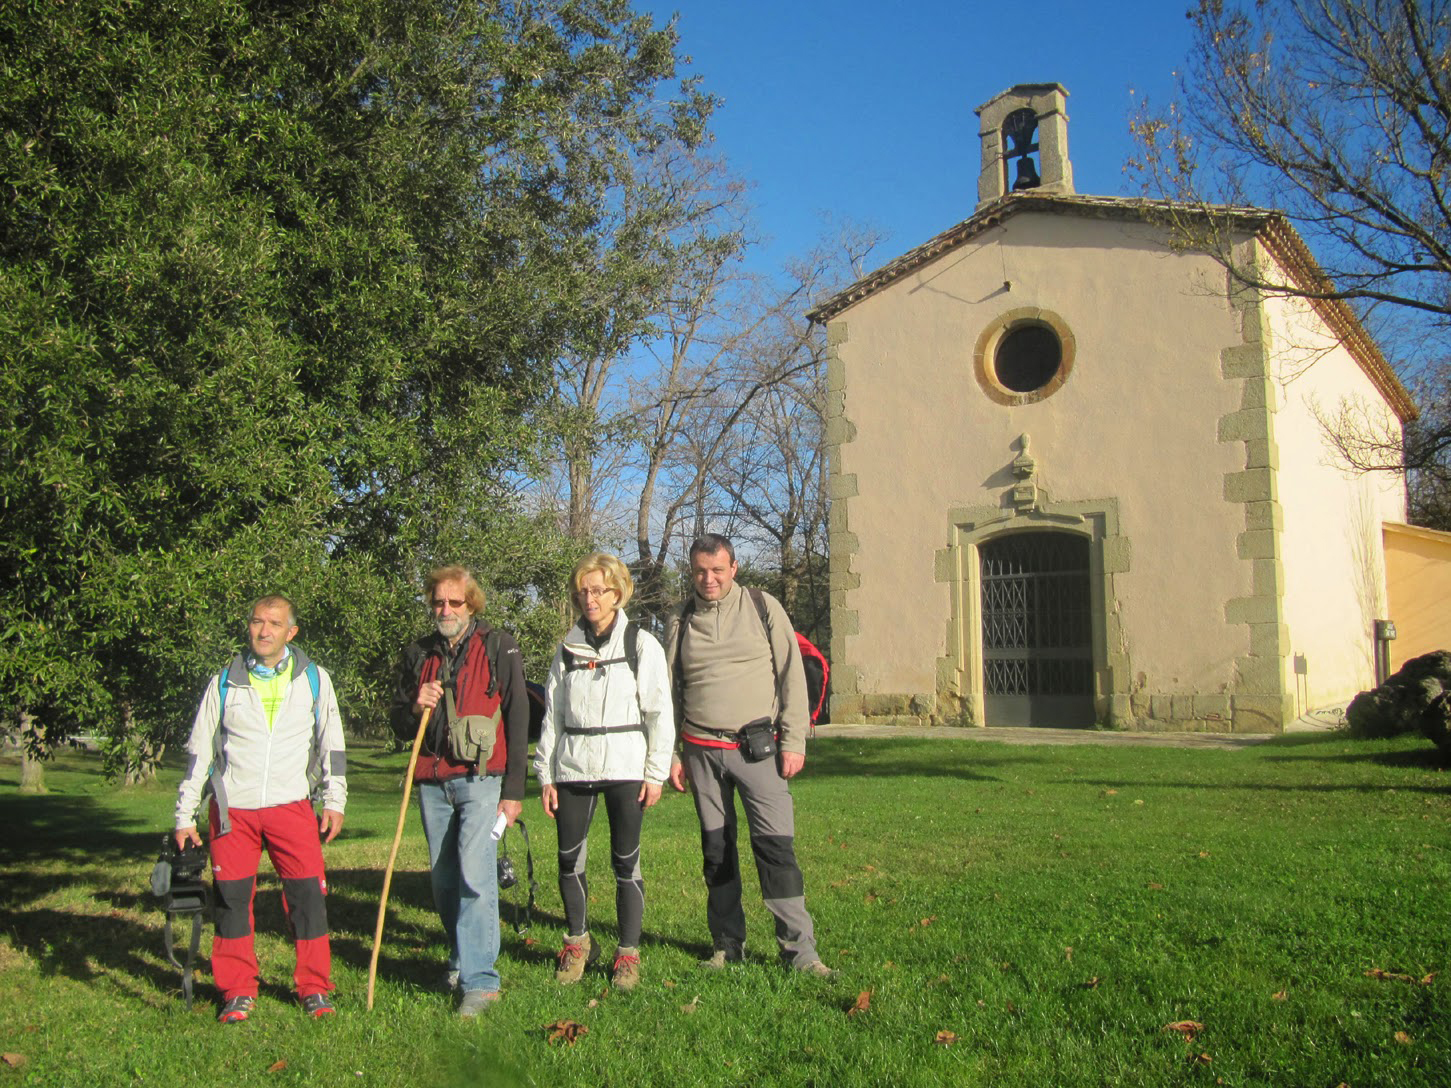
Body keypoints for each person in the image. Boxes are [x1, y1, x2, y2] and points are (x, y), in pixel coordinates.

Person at [173, 594, 347, 1024]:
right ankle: (236, 989)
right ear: (248, 627)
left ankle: (314, 988)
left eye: (274, 623)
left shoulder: (314, 679)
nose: (264, 631)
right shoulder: (224, 682)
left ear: (292, 632)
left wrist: (335, 799)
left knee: (308, 898)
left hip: (292, 807)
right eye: (257, 622)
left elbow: (334, 746)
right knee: (232, 900)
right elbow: (199, 753)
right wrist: (183, 814)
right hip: (234, 811)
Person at [666, 534, 834, 977]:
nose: (709, 579)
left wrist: (794, 741)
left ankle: (800, 953)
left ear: (734, 568)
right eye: (701, 571)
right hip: (701, 752)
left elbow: (791, 675)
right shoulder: (679, 619)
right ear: (692, 572)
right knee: (717, 852)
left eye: (718, 570)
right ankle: (727, 944)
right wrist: (670, 753)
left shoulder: (763, 607)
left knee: (776, 849)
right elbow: (668, 693)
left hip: (758, 750)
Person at [389, 565, 528, 1017]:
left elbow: (518, 714)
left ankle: (481, 981)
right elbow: (398, 722)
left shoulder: (498, 645)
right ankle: (460, 956)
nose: (445, 610)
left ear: (472, 603)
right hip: (432, 782)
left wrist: (513, 789)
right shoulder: (418, 654)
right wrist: (416, 704)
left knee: (475, 875)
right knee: (443, 880)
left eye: (455, 602)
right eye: (438, 602)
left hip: (483, 780)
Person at [534, 553, 673, 991]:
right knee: (568, 860)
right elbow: (552, 715)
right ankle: (577, 943)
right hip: (573, 767)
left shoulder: (641, 644)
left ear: (617, 592)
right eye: (582, 591)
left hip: (625, 766)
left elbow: (658, 712)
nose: (588, 599)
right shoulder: (566, 647)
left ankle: (627, 954)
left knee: (625, 863)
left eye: (598, 590)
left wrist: (655, 773)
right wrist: (546, 774)